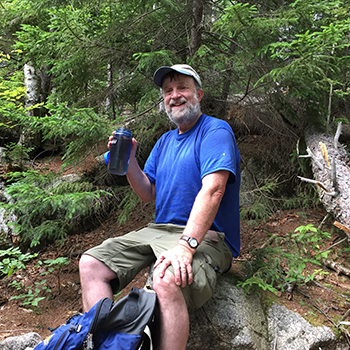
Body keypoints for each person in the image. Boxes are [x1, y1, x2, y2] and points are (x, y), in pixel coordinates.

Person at [79, 64, 241, 350]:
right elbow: (147, 192)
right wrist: (129, 162)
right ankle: (107, 344)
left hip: (208, 237)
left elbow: (214, 189)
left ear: (199, 94)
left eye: (183, 88)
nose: (175, 95)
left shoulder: (215, 130)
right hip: (158, 230)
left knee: (165, 277)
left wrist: (186, 246)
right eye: (168, 91)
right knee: (91, 264)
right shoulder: (164, 141)